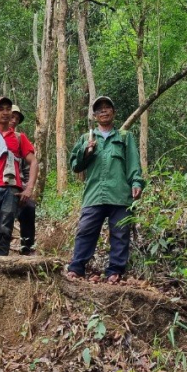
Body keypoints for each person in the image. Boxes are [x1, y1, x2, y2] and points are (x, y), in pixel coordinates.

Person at [66, 96, 145, 284]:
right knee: (85, 230)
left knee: (120, 233)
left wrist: (136, 182)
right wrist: (86, 151)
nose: (103, 111)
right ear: (94, 116)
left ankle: (115, 271)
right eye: (99, 109)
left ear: (113, 113)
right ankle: (77, 268)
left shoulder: (125, 137)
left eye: (107, 107)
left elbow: (133, 163)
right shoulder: (87, 138)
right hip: (94, 195)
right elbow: (75, 166)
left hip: (119, 194)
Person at [0, 97, 37, 256]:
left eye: (8, 109)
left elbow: (33, 162)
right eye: (1, 109)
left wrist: (29, 188)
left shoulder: (19, 138)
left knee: (5, 228)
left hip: (11, 190)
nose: (6, 113)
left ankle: (1, 263)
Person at [11, 104, 39, 255]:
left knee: (28, 207)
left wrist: (27, 189)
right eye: (12, 116)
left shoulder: (20, 140)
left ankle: (27, 247)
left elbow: (29, 167)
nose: (14, 120)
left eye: (17, 118)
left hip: (18, 187)